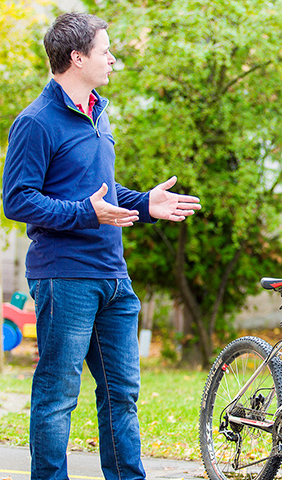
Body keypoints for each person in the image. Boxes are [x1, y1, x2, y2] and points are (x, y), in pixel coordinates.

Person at [2, 13, 201, 480]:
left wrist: (145, 203)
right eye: (104, 50)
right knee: (57, 393)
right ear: (76, 57)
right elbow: (18, 200)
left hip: (113, 275)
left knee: (121, 393)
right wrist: (85, 213)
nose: (113, 58)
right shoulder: (35, 122)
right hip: (65, 275)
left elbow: (99, 193)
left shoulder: (98, 112)